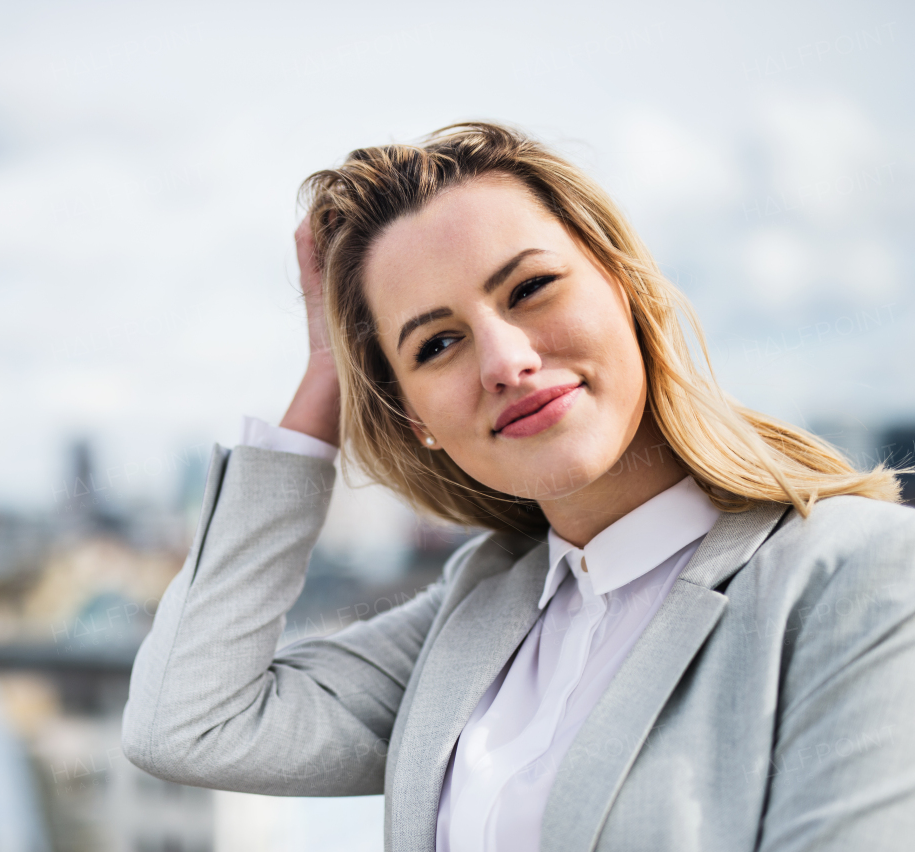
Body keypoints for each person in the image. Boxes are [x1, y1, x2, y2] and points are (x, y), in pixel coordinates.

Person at [121, 122, 915, 851]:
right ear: (414, 416)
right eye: (436, 344)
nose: (505, 361)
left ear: (625, 286)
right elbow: (188, 722)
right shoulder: (484, 610)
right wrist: (327, 375)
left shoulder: (858, 576)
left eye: (530, 289)